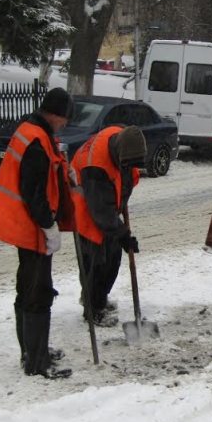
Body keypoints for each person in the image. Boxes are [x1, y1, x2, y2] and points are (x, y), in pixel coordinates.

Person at [0, 87, 76, 379]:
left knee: (27, 288)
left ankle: (32, 351)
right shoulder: (35, 140)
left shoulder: (33, 130)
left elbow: (47, 169)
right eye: (64, 120)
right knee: (38, 293)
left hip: (25, 226)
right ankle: (38, 362)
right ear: (55, 115)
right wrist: (49, 226)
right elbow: (34, 192)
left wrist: (65, 171)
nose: (64, 125)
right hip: (32, 228)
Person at [70, 125, 146, 327]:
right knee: (96, 263)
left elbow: (126, 178)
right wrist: (123, 234)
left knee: (112, 258)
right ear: (119, 153)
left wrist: (121, 207)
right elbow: (100, 210)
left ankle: (99, 297)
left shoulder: (123, 139)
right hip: (86, 211)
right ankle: (92, 309)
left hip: (106, 208)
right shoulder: (95, 166)